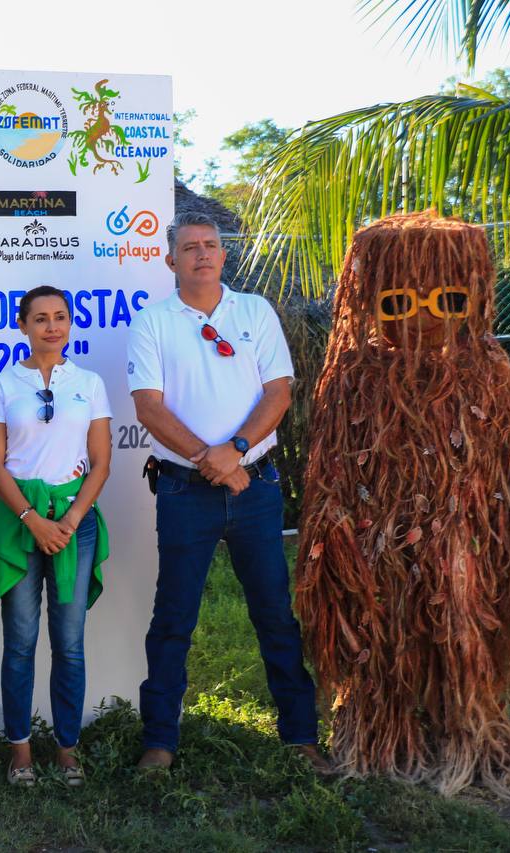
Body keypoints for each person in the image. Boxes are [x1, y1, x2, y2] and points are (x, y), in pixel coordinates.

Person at [125, 212, 329, 774]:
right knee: (174, 619)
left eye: (210, 245)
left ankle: (301, 737)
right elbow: (149, 406)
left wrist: (234, 451)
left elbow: (279, 392)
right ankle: (160, 742)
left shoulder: (255, 312)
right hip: (185, 491)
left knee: (274, 615)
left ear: (223, 255)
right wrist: (208, 460)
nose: (202, 254)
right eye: (189, 247)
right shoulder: (152, 323)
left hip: (254, 487)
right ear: (170, 260)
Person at [0, 285, 113, 787]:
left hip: (74, 526)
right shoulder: (3, 385)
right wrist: (34, 520)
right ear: (23, 326)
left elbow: (101, 463)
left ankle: (68, 749)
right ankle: (20, 751)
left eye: (60, 317)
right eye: (40, 318)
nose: (51, 327)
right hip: (19, 524)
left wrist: (71, 520)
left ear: (70, 324)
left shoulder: (90, 382)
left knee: (70, 644)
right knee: (21, 643)